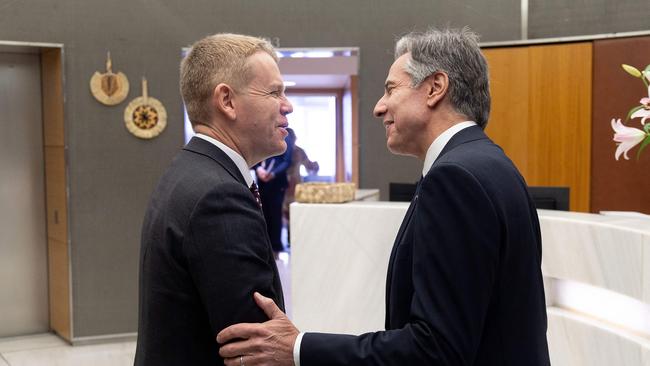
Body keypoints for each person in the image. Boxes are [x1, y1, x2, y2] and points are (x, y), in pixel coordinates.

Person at [217, 27, 550, 366]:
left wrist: (298, 348)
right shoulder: (489, 162)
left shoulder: (455, 178)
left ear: (435, 87)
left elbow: (436, 350)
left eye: (391, 88)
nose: (379, 107)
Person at [134, 33, 293, 366]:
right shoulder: (219, 196)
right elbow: (256, 350)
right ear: (227, 101)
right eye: (274, 92)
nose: (287, 105)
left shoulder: (191, 169)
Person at [254, 132, 294, 256]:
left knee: (275, 214)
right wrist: (257, 168)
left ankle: (276, 248)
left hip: (277, 182)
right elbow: (253, 153)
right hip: (262, 181)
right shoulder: (260, 132)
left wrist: (273, 174)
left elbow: (287, 161)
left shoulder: (286, 135)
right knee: (263, 213)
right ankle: (265, 247)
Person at [282, 128, 318, 243]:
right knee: (286, 215)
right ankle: (290, 239)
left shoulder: (299, 152)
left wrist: (315, 166)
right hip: (284, 188)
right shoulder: (280, 151)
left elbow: (309, 167)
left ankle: (294, 239)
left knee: (294, 214)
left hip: (295, 187)